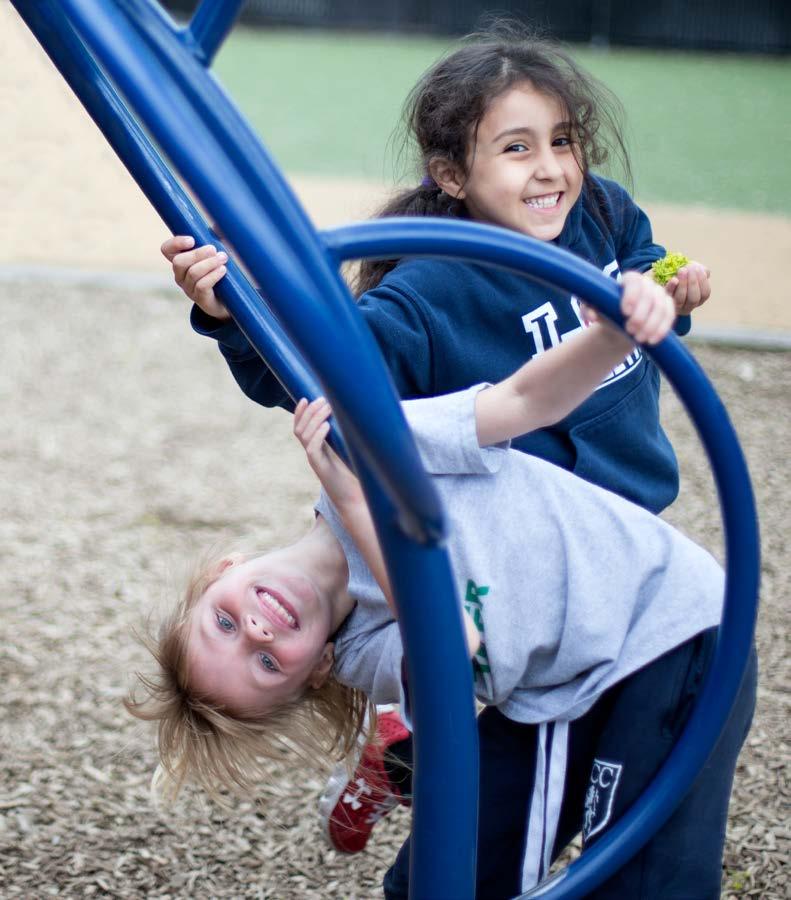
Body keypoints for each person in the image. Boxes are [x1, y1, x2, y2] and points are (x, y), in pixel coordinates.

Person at [157, 22, 719, 894]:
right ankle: (408, 748)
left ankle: (406, 750)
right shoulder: (426, 306)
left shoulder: (598, 213)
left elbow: (611, 304)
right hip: (581, 610)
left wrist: (661, 291)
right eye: (516, 148)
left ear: (220, 572)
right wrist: (235, 314)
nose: (549, 169)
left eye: (559, 141)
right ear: (452, 176)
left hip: (610, 552)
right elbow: (321, 374)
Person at [126, 283, 753, 900]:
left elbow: (524, 400)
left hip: (665, 627)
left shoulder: (368, 445)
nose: (258, 632)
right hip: (565, 685)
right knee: (434, 883)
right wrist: (359, 505)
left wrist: (613, 336)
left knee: (644, 884)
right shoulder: (364, 653)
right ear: (317, 668)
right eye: (266, 664)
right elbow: (455, 638)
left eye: (224, 624)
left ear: (223, 571)